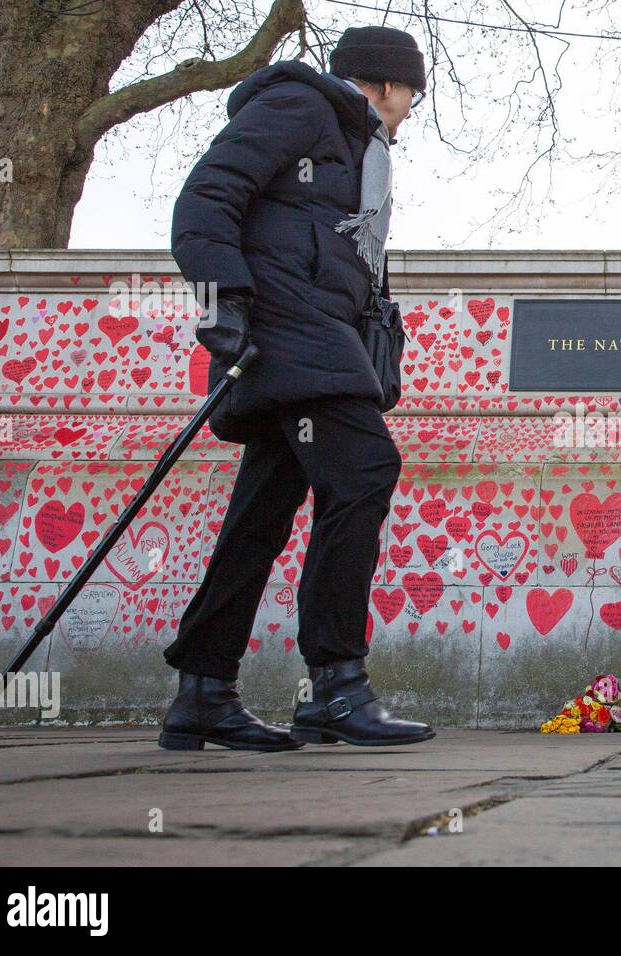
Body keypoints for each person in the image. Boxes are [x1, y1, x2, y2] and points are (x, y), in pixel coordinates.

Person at [158, 26, 434, 751]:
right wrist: (224, 301)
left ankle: (203, 692)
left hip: (310, 338)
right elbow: (208, 194)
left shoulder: (356, 153)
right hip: (284, 329)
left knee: (262, 510)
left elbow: (335, 252)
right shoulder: (302, 109)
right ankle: (336, 685)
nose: (410, 108)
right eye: (410, 92)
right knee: (367, 468)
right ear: (382, 84)